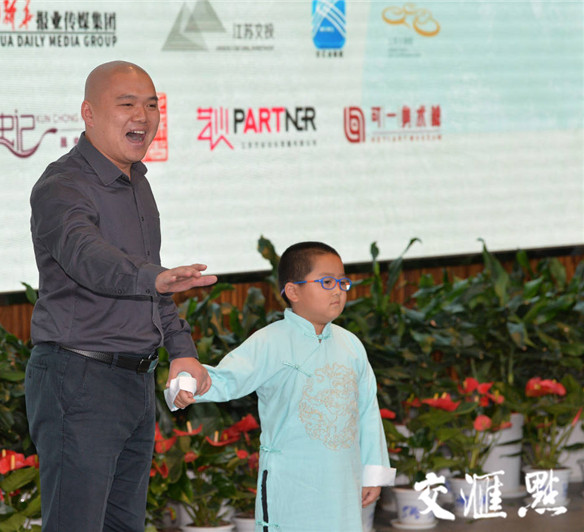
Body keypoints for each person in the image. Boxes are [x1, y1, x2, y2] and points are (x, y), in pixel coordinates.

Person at [25, 60, 215, 532]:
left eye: (151, 105)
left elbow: (152, 282)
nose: (143, 117)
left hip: (135, 382)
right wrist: (154, 278)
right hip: (79, 379)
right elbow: (86, 256)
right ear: (88, 113)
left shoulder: (137, 183)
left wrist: (181, 349)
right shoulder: (61, 186)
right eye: (127, 104)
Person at [168, 242, 395, 531]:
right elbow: (227, 378)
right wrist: (185, 385)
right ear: (293, 291)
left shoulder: (351, 345)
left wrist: (372, 474)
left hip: (341, 483)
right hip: (289, 483)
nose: (338, 291)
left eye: (342, 282)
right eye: (327, 282)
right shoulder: (270, 341)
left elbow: (368, 412)